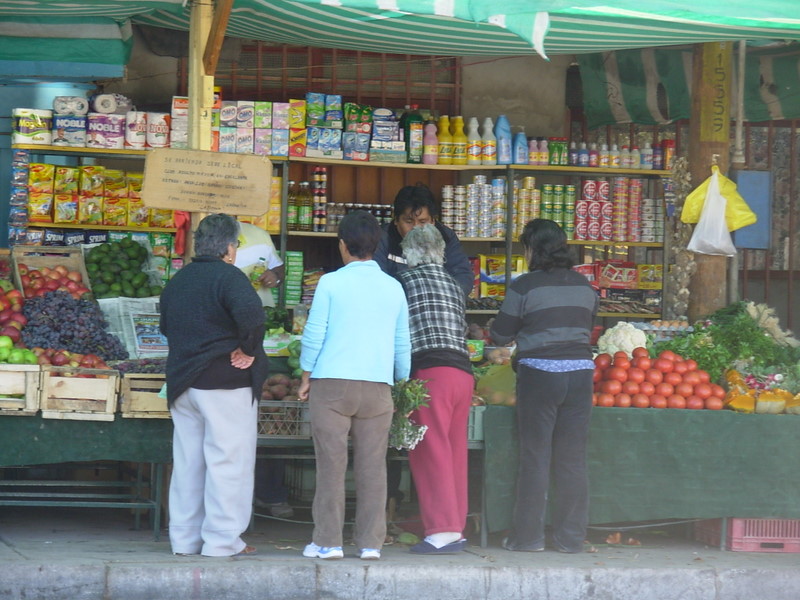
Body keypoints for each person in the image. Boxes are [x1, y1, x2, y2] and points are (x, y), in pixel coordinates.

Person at [298, 210, 411, 561]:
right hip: (378, 387)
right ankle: (370, 544)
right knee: (373, 467)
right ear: (376, 246)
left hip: (333, 384)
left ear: (343, 246)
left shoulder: (331, 282)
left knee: (331, 465)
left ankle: (328, 542)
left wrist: (305, 375)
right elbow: (402, 343)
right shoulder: (394, 287)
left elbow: (314, 333)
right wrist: (402, 380)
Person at [159, 213, 268, 558]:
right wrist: (248, 351)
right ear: (230, 248)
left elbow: (165, 327)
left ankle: (184, 539)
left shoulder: (179, 279)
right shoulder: (229, 277)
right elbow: (253, 317)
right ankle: (221, 542)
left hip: (183, 385)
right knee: (227, 463)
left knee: (189, 463)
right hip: (224, 384)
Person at [489, 218, 598, 554]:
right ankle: (570, 539)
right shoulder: (585, 288)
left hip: (539, 375)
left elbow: (500, 335)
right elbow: (587, 327)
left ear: (532, 249)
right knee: (572, 459)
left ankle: (528, 538)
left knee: (536, 457)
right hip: (580, 376)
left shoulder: (525, 286)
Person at [396, 224, 475, 555]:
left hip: (431, 375)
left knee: (431, 452)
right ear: (441, 251)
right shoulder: (455, 285)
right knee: (455, 452)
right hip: (463, 375)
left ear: (409, 253)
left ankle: (441, 531)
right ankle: (455, 526)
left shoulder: (404, 282)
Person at [233, 222, 292, 519]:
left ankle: (270, 494)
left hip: (264, 333)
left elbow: (279, 270)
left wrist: (274, 277)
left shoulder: (259, 234)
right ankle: (236, 500)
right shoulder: (207, 227)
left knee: (270, 414)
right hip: (228, 335)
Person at [374, 183, 474, 298]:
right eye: (409, 221)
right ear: (396, 220)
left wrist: (441, 297)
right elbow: (376, 279)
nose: (416, 227)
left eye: (422, 222)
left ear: (433, 221)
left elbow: (463, 276)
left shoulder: (446, 237)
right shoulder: (381, 238)